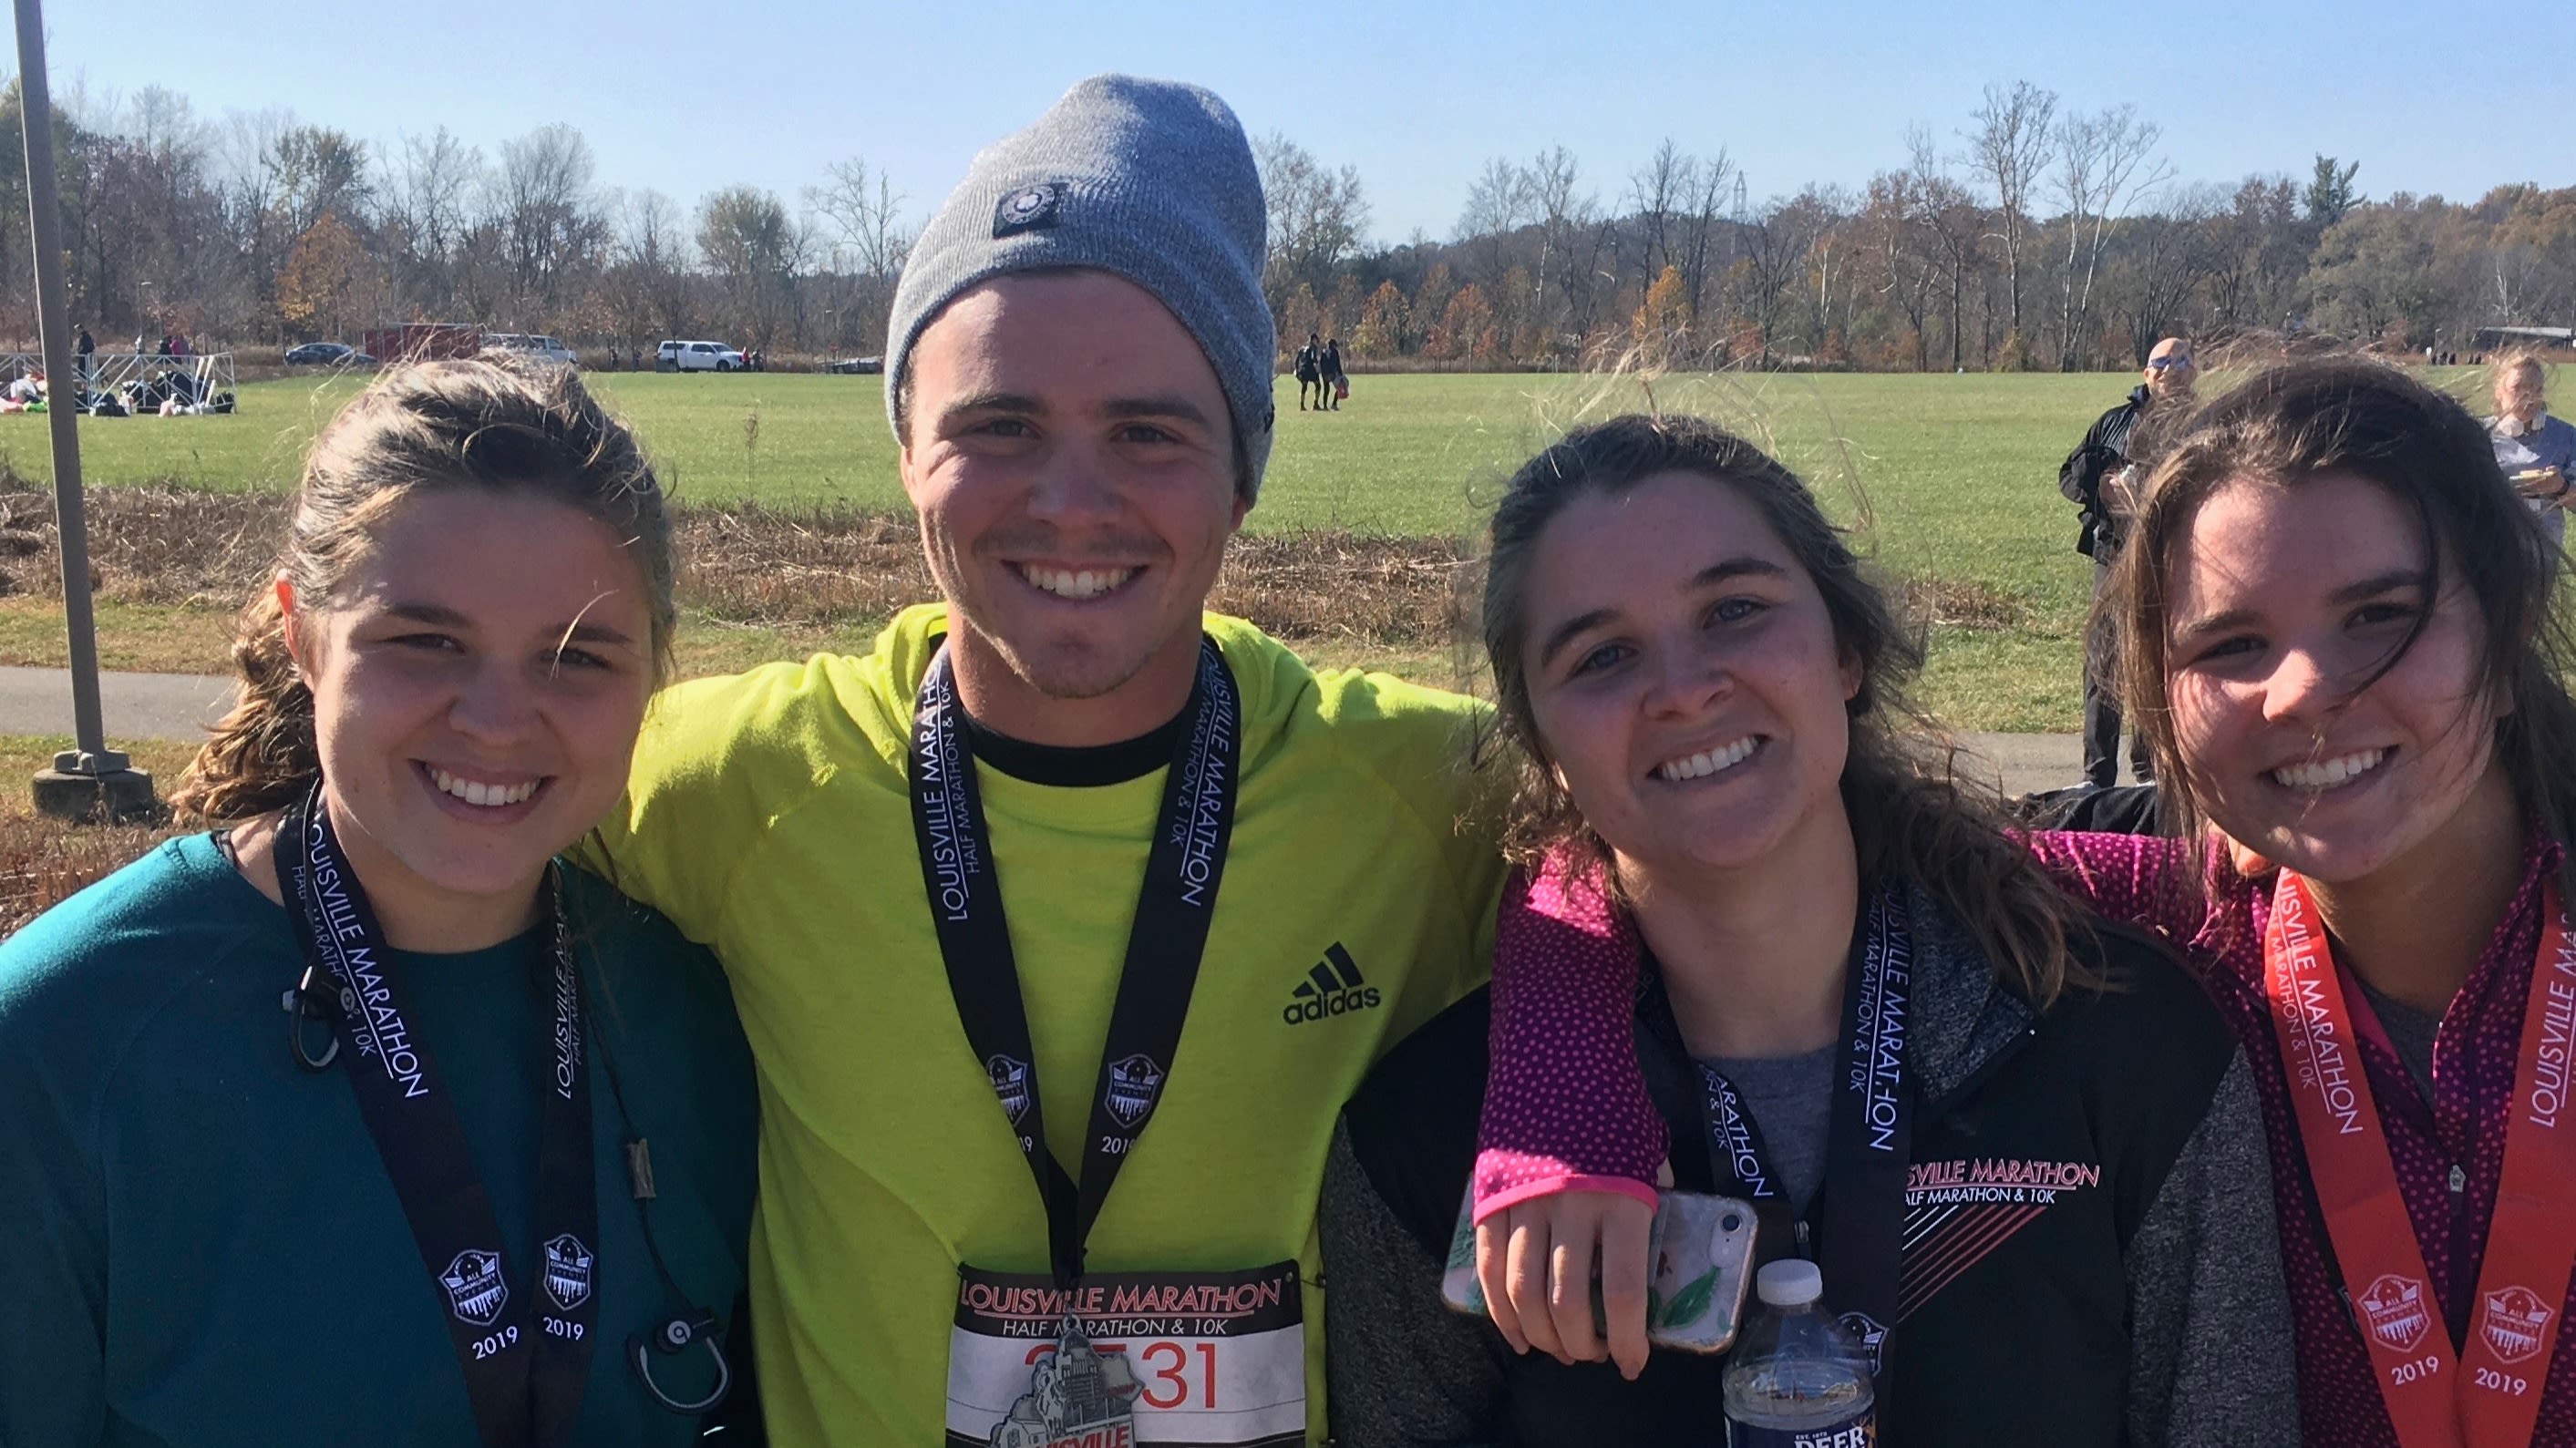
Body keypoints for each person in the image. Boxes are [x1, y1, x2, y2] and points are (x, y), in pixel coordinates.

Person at [580, 75, 1503, 1447]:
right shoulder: (744, 777)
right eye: (997, 427)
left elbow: (1665, 866)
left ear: (1243, 470)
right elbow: (429, 810)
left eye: (1147, 432)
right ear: (904, 448)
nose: (1070, 503)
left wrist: (1571, 1083)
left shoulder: (1416, 789)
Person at [1475, 358, 2576, 1445]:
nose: (2301, 688)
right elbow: (1720, 854)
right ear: (2155, 689)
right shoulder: (2173, 907)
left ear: (2506, 611)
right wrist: (1561, 1087)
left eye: (2380, 614)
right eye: (2231, 644)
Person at [1321, 414, 2294, 1446]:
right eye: (1602, 654)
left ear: (1847, 648)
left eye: (1735, 608)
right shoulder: (1434, 1132)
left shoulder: (2127, 1041)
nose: (1685, 687)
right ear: (1543, 745)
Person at [0, 357, 759, 1444]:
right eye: (427, 642)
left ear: (655, 675)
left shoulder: (694, 1018)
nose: (499, 719)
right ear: (303, 634)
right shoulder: (61, 1044)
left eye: (575, 656)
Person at [2059, 336, 2195, 789]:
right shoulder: (2115, 423)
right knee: (2104, 661)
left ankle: (2151, 773)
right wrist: (2103, 489)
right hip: (2115, 557)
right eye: (2162, 361)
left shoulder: (2208, 425)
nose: (2173, 368)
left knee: (2158, 661)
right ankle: (2097, 777)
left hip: (2181, 561)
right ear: (2146, 373)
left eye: (2183, 359)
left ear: (2193, 370)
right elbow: (2069, 475)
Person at [2488, 352, 2576, 552]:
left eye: (2537, 389)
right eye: (2518, 389)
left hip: (2543, 555)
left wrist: (2560, 487)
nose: (2529, 399)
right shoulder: (2478, 436)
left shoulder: (2565, 436)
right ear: (2498, 391)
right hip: (2491, 550)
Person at [1294, 329, 1322, 411]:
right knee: (1318, 386)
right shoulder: (1313, 348)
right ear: (1314, 340)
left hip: (1303, 370)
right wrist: (1317, 363)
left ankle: (1302, 405)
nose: (1317, 342)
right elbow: (1313, 358)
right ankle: (1315, 404)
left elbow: (1297, 359)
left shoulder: (1303, 349)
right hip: (1311, 370)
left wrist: (1297, 369)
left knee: (1304, 387)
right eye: (1316, 340)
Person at [1322, 337, 1346, 410]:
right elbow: (1337, 364)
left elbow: (1321, 363)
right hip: (1333, 374)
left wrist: (1323, 373)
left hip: (1325, 374)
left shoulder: (1324, 352)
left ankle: (1325, 406)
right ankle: (1334, 404)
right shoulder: (1335, 352)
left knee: (1326, 390)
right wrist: (1340, 374)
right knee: (1339, 387)